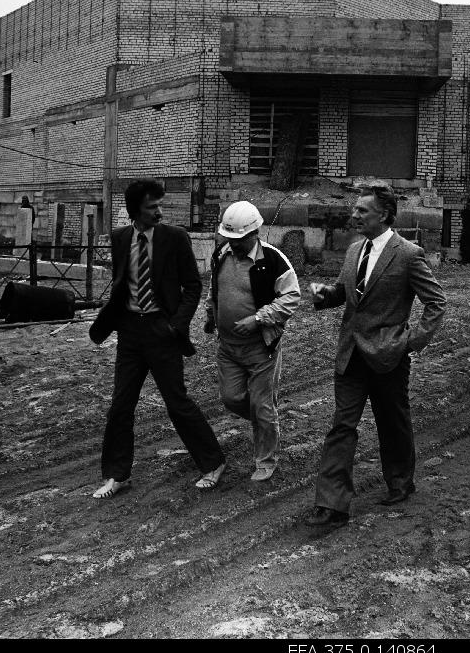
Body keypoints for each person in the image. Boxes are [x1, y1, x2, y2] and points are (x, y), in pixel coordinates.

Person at [304, 183, 446, 528]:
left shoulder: (408, 254)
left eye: (362, 211)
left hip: (389, 356)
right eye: (355, 210)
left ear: (383, 214)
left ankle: (400, 482)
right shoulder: (354, 250)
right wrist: (325, 295)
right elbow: (345, 293)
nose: (354, 215)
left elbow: (436, 302)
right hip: (351, 354)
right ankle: (332, 504)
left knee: (392, 422)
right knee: (342, 426)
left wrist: (411, 341)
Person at [89, 179, 226, 499]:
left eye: (159, 205)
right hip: (130, 333)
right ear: (135, 211)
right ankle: (116, 474)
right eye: (152, 207)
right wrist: (110, 320)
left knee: (176, 402)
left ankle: (213, 462)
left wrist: (176, 325)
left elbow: (193, 286)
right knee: (121, 406)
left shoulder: (174, 238)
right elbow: (122, 283)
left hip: (162, 332)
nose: (159, 212)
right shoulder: (121, 238)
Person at [204, 201, 300, 481]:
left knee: (262, 405)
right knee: (231, 398)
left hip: (261, 348)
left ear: (254, 233)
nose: (232, 244)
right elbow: (215, 289)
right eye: (229, 237)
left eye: (238, 239)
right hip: (228, 347)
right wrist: (211, 316)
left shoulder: (272, 260)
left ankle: (265, 459)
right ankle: (265, 421)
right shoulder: (221, 254)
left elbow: (292, 297)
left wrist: (259, 319)